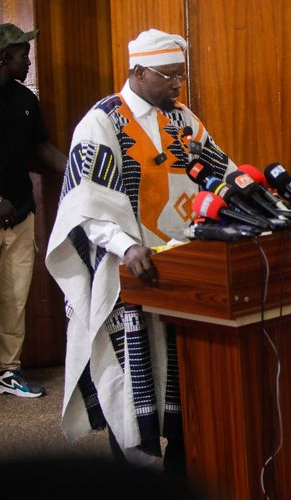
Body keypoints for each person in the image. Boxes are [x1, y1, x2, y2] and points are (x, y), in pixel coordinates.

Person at [46, 29, 235, 470]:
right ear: (138, 71)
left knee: (186, 381)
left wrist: (252, 200)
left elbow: (221, 174)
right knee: (131, 384)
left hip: (182, 269)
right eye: (169, 76)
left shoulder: (183, 119)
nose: (177, 85)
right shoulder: (101, 122)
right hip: (126, 272)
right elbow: (85, 204)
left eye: (181, 75)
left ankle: (184, 474)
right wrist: (127, 246)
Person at [0, 23, 67, 398]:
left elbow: (41, 149)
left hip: (21, 214)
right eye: (23, 54)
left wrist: (79, 172)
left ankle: (7, 371)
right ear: (4, 57)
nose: (29, 61)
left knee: (14, 295)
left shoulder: (26, 100)